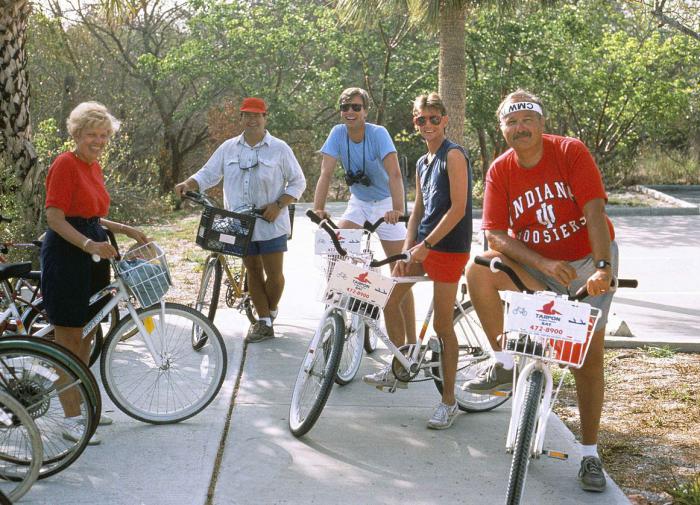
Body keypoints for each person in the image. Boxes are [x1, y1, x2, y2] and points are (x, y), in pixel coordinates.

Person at [464, 89, 618, 492]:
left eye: (526, 119)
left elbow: (594, 211)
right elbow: (495, 234)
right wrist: (544, 264)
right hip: (540, 266)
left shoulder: (570, 152)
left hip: (586, 263)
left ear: (542, 122)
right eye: (511, 122)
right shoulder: (500, 170)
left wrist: (602, 267)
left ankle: (589, 455)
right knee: (477, 268)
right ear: (503, 130)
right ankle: (502, 362)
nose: (520, 128)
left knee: (587, 360)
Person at [41, 101, 149, 445]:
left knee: (87, 335)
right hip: (68, 257)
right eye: (92, 135)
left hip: (94, 255)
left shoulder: (94, 167)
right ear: (77, 134)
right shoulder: (65, 164)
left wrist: (127, 229)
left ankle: (82, 406)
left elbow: (90, 215)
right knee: (68, 341)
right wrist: (89, 245)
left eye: (104, 135)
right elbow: (55, 218)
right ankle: (71, 421)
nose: (99, 141)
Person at [374, 92, 471, 429]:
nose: (427, 124)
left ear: (445, 120)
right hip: (423, 245)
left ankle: (449, 402)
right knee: (389, 300)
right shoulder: (421, 161)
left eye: (433, 118)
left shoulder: (453, 155)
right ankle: (402, 363)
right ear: (414, 122)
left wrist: (428, 244)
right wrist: (407, 248)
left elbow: (458, 208)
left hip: (448, 247)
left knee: (443, 326)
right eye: (420, 119)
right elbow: (417, 209)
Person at [175, 97, 306, 343]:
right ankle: (264, 322)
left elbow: (298, 182)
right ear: (241, 118)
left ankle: (269, 309)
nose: (253, 119)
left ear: (265, 118)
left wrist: (279, 205)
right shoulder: (228, 148)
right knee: (253, 270)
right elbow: (208, 173)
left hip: (270, 221)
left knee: (274, 274)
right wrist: (188, 183)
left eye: (257, 115)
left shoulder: (280, 148)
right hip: (237, 223)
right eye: (247, 115)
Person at [312, 87, 416, 350]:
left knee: (399, 272)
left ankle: (411, 343)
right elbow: (325, 173)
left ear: (365, 111)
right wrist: (319, 208)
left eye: (356, 107)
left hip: (385, 204)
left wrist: (397, 209)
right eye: (345, 107)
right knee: (335, 249)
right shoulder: (337, 134)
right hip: (359, 202)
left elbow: (394, 174)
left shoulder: (378, 134)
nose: (349, 112)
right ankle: (340, 315)